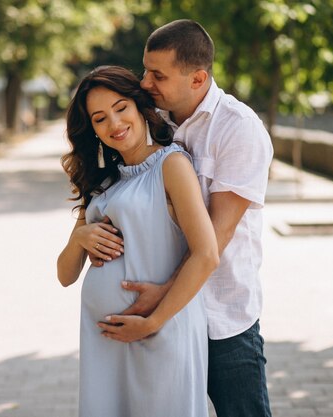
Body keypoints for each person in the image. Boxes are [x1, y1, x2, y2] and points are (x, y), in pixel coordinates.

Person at [94, 20, 274, 417]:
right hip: (162, 324)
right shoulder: (153, 119)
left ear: (198, 79)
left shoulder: (239, 130)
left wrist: (161, 301)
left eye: (158, 75)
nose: (144, 83)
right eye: (145, 70)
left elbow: (215, 239)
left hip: (221, 319)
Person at [57, 65, 219, 417]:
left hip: (162, 328)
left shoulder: (171, 165)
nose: (114, 124)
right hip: (105, 343)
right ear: (93, 131)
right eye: (100, 119)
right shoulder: (102, 184)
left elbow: (206, 254)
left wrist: (152, 322)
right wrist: (80, 237)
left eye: (121, 108)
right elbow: (65, 274)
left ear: (140, 106)